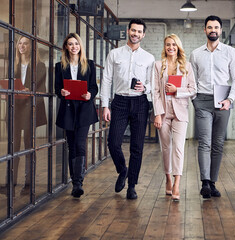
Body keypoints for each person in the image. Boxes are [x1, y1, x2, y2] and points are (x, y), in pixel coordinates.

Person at [101, 19, 155, 200]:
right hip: (119, 102)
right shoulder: (114, 54)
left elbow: (152, 84)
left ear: (143, 35)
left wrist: (145, 89)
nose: (136, 34)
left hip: (140, 103)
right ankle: (122, 170)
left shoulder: (149, 58)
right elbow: (107, 79)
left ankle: (132, 186)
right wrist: (105, 105)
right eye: (133, 30)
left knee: (137, 147)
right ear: (128, 31)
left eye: (139, 31)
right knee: (113, 143)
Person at [190, 15, 235, 199]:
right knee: (205, 142)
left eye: (216, 27)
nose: (213, 30)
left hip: (223, 101)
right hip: (202, 100)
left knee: (218, 143)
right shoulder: (195, 54)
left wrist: (230, 99)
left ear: (220, 30)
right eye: (210, 27)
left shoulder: (230, 52)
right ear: (205, 30)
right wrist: (195, 99)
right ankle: (204, 182)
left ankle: (213, 182)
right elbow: (192, 80)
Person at [152, 34, 196, 201]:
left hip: (180, 111)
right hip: (163, 111)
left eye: (174, 45)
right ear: (164, 47)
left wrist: (177, 90)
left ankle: (177, 181)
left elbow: (193, 90)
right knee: (166, 147)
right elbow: (155, 91)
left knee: (178, 147)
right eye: (168, 45)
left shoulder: (187, 66)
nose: (171, 47)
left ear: (178, 48)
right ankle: (168, 178)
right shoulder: (158, 66)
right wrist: (157, 113)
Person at [55, 33, 99, 198]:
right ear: (66, 47)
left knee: (80, 144)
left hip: (83, 109)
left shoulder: (89, 65)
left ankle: (78, 183)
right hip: (67, 109)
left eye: (76, 44)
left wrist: (90, 94)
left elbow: (94, 87)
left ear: (80, 46)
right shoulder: (59, 66)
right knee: (71, 145)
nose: (74, 47)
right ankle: (75, 181)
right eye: (70, 44)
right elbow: (57, 88)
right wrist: (61, 92)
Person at [14, 36, 47, 192]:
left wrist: (31, 92)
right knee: (13, 148)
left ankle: (28, 183)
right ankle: (11, 182)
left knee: (28, 146)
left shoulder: (40, 66)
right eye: (20, 43)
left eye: (25, 43)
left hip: (29, 110)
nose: (22, 46)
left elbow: (42, 91)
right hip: (14, 110)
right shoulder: (13, 66)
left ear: (31, 47)